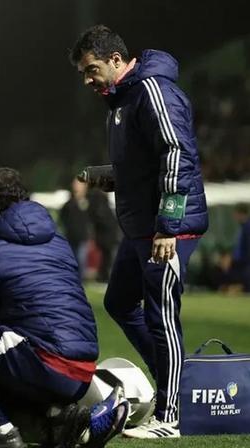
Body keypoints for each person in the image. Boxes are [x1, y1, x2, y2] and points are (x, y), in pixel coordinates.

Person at [70, 25, 208, 438]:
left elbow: (176, 154)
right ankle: (172, 384)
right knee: (119, 301)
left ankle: (172, 415)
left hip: (165, 230)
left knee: (161, 315)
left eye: (91, 69)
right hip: (140, 230)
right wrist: (105, 175)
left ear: (115, 60)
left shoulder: (152, 90)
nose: (88, 80)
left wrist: (168, 223)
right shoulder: (124, 101)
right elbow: (143, 166)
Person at [0, 168, 106, 448]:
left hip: (48, 365)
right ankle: (60, 419)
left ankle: (1, 431)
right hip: (84, 372)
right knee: (13, 341)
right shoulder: (58, 240)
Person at [59, 179, 92, 278]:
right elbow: (63, 218)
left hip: (83, 237)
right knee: (73, 259)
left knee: (81, 260)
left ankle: (81, 279)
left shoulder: (89, 202)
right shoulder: (69, 204)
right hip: (71, 237)